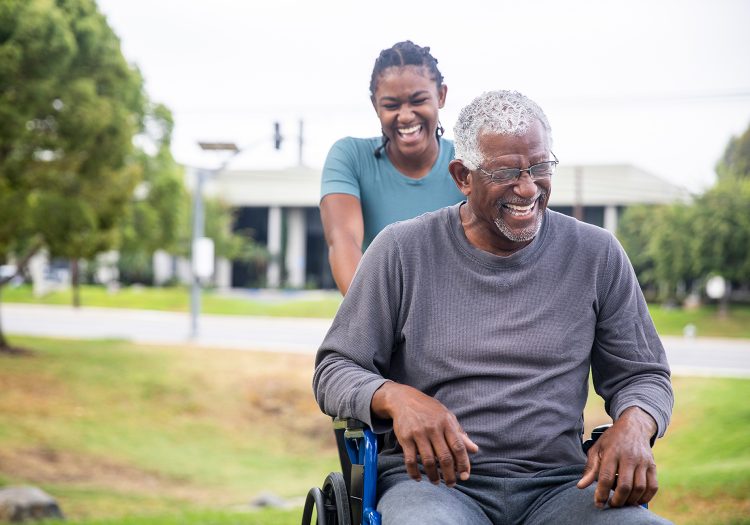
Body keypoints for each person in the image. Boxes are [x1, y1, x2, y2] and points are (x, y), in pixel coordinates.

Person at [313, 90, 674, 524]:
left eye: (540, 167)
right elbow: (334, 369)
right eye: (505, 172)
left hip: (560, 486)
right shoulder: (401, 250)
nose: (527, 188)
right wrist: (395, 397)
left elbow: (644, 374)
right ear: (463, 176)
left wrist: (635, 424)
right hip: (433, 485)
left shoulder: (596, 253)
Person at [320, 40, 464, 295]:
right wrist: (374, 320)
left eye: (418, 100)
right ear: (375, 105)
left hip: (456, 317)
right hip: (381, 317)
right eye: (391, 105)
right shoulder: (350, 157)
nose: (406, 116)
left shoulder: (467, 161)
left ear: (440, 95)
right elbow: (343, 239)